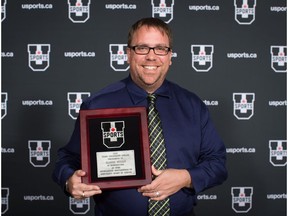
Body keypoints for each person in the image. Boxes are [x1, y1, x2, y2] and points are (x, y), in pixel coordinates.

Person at [52, 17, 228, 216]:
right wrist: (69, 180)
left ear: (170, 56)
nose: (151, 57)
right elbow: (68, 159)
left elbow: (217, 164)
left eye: (161, 49)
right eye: (142, 48)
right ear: (128, 54)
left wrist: (186, 177)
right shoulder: (97, 105)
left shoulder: (193, 106)